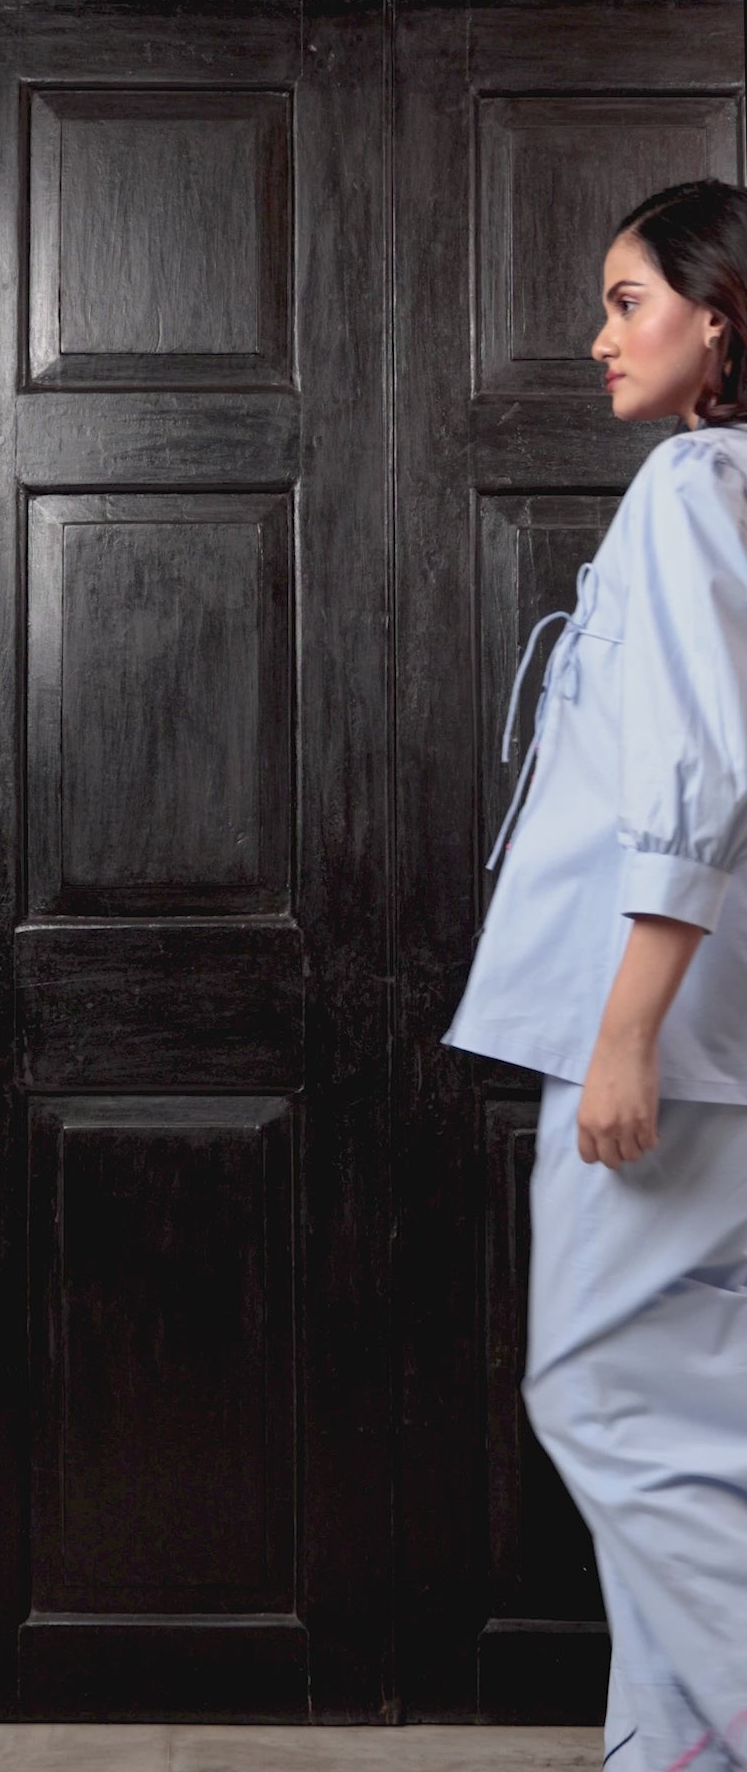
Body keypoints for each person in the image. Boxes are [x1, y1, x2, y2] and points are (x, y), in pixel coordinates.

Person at [442, 177, 747, 1772]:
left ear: (722, 320)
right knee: (704, 1415)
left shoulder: (695, 483)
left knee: (595, 1394)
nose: (597, 337)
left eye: (629, 301)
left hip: (671, 1040)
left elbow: (699, 770)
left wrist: (624, 1036)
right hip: (718, 1040)